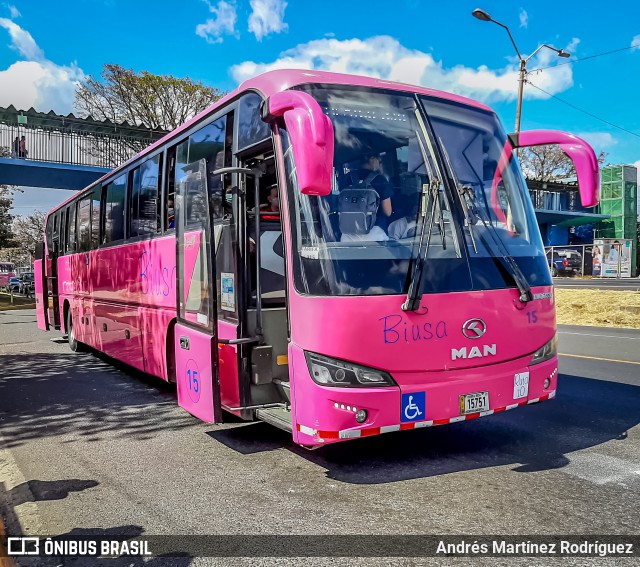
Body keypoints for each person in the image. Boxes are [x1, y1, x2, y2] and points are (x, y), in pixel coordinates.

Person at [353, 153, 393, 229]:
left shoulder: (347, 177)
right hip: (374, 231)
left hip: (348, 230)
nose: (380, 163)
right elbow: (388, 212)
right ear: (371, 159)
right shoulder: (380, 179)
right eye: (379, 160)